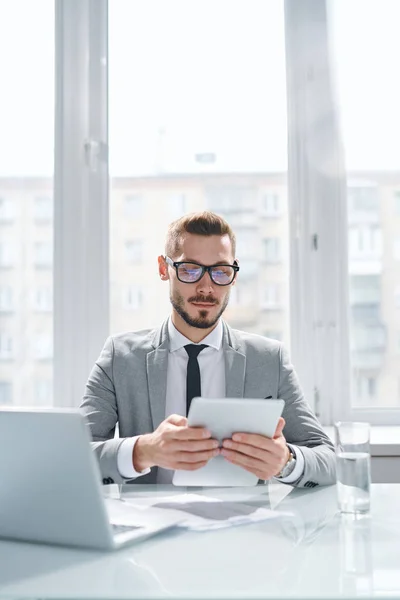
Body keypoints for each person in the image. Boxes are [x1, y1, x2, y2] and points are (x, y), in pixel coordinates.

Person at [81, 211, 335, 487]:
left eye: (220, 272)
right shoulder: (121, 356)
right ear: (164, 269)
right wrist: (143, 451)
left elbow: (329, 461)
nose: (206, 287)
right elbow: (74, 457)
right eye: (190, 269)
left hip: (241, 525)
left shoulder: (268, 359)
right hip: (152, 522)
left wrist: (286, 462)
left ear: (234, 274)